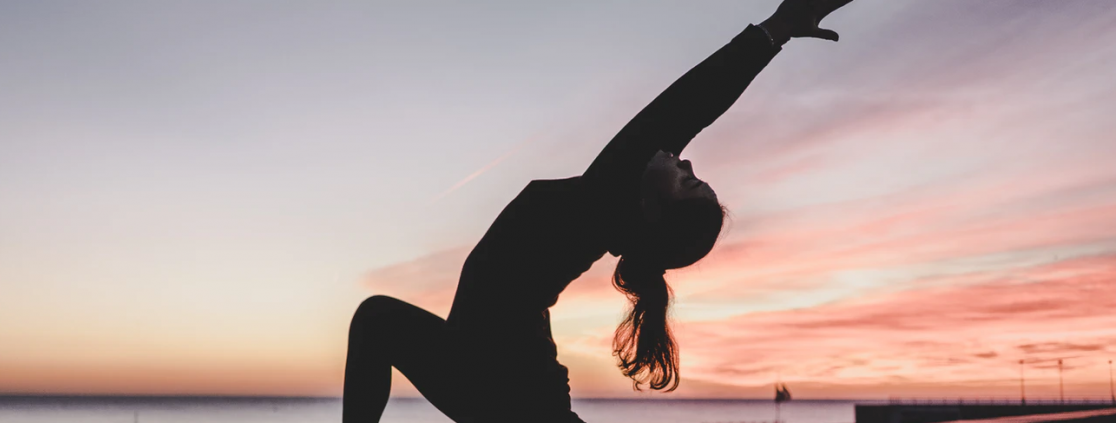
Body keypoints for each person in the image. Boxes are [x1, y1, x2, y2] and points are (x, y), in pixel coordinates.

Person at [342, 1, 854, 422]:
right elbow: (681, 115)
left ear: (653, 211)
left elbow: (687, 105)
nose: (686, 159)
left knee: (377, 320)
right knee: (376, 319)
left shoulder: (604, 200)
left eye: (688, 181)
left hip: (512, 394)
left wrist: (777, 29)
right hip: (477, 372)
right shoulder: (609, 207)